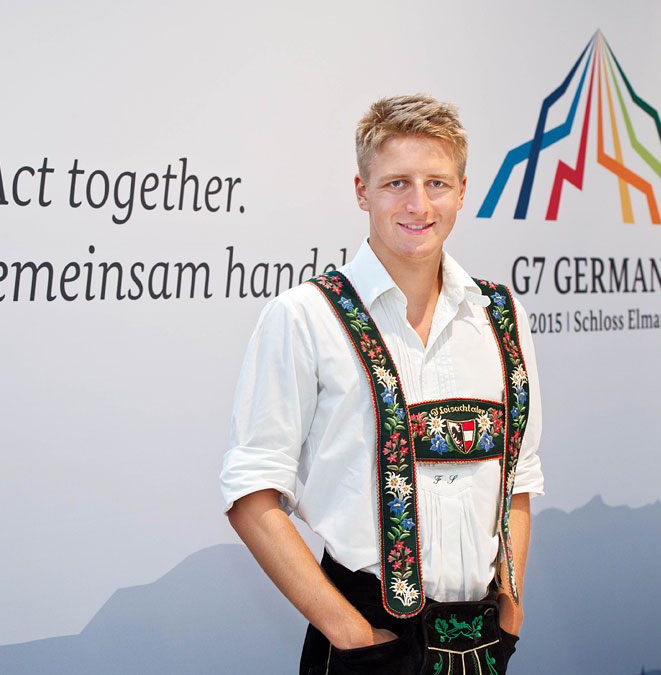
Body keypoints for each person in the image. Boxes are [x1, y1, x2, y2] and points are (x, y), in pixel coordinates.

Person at [220, 94, 543, 674]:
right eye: (396, 183)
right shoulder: (304, 316)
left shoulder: (502, 314)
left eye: (437, 183)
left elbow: (519, 477)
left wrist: (511, 612)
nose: (419, 204)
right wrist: (350, 634)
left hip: (483, 641)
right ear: (361, 191)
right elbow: (251, 495)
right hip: (368, 635)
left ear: (463, 192)